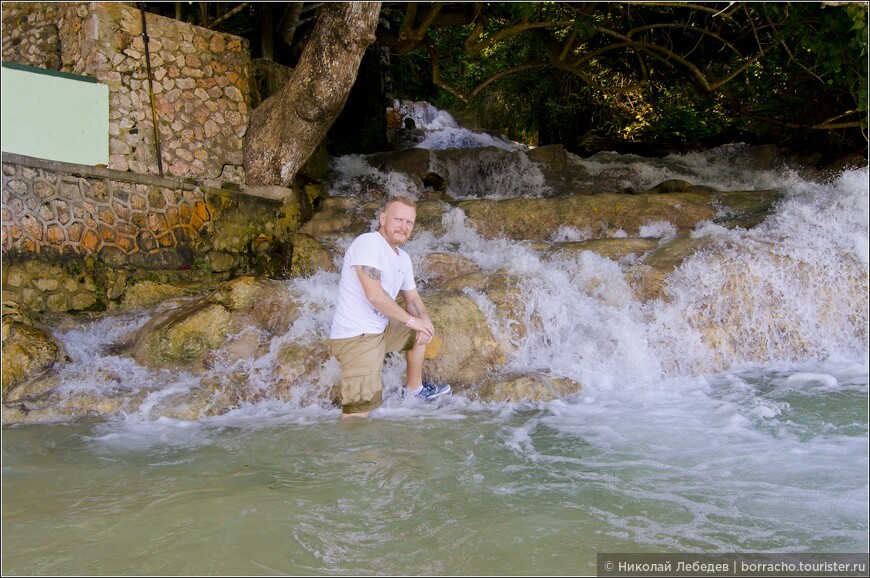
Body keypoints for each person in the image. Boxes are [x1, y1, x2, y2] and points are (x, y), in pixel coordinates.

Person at [327, 196, 451, 418]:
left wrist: (425, 323)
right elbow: (375, 296)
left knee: (418, 334)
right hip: (357, 337)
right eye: (398, 219)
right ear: (383, 218)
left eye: (409, 222)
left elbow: (412, 298)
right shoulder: (368, 243)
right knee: (357, 416)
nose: (404, 226)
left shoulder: (402, 258)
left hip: (379, 330)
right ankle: (348, 452)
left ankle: (416, 391)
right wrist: (413, 320)